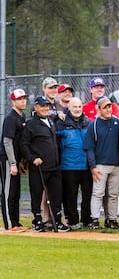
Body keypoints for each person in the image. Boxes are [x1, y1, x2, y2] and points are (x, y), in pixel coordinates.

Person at [21, 95, 71, 232]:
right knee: (36, 194)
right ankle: (37, 220)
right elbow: (24, 145)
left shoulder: (50, 121)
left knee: (56, 195)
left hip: (54, 167)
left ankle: (57, 221)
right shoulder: (31, 124)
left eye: (46, 106)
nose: (45, 108)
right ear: (36, 107)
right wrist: (32, 158)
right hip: (39, 167)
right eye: (42, 106)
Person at [84, 96, 119, 230]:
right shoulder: (93, 125)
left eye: (109, 106)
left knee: (113, 194)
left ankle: (112, 219)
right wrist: (93, 166)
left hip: (116, 164)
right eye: (105, 107)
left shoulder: (117, 122)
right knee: (98, 193)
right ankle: (95, 219)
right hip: (100, 164)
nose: (108, 109)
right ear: (98, 109)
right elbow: (89, 147)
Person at [55, 97, 91, 230]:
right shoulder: (60, 123)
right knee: (70, 195)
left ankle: (86, 220)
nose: (77, 109)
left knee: (88, 194)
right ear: (68, 107)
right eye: (74, 106)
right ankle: (73, 220)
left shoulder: (88, 123)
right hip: (68, 165)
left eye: (79, 107)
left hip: (86, 165)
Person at [0, 89, 28, 231]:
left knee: (16, 192)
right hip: (8, 159)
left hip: (17, 159)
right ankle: (9, 224)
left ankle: (16, 222)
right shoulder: (11, 118)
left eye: (24, 98)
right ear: (13, 101)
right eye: (19, 99)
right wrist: (12, 163)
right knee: (8, 192)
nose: (23, 101)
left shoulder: (21, 116)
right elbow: (7, 142)